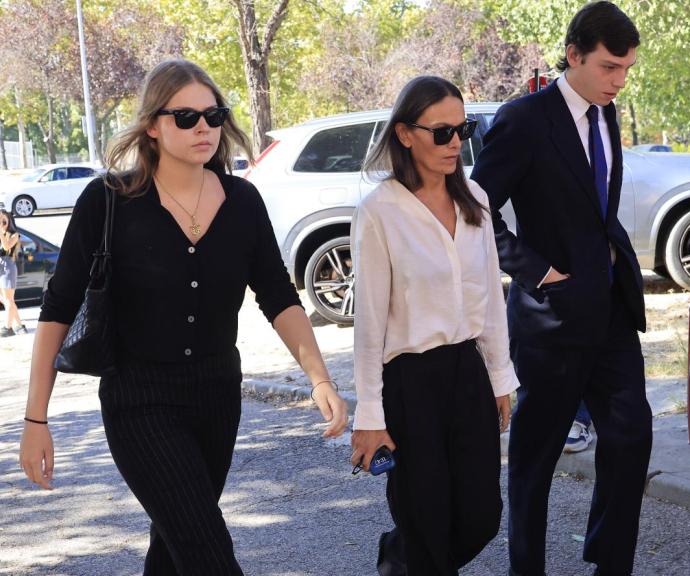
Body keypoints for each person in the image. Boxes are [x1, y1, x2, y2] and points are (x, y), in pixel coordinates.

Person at [18, 59, 348, 575]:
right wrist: (35, 419)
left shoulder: (242, 200)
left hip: (216, 395)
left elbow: (278, 295)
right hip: (138, 400)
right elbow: (58, 310)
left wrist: (319, 378)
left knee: (175, 548)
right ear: (152, 124)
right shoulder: (109, 201)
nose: (204, 129)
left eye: (213, 116)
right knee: (208, 553)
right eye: (186, 118)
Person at [470, 2, 652, 574]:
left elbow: (596, 208)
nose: (619, 81)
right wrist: (538, 272)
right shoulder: (524, 119)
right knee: (534, 457)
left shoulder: (608, 113)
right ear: (573, 56)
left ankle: (609, 560)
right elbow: (476, 211)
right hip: (550, 318)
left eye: (626, 69)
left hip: (612, 308)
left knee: (631, 439)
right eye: (608, 67)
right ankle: (527, 567)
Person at [351, 75, 518, 576]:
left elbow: (490, 298)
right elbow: (369, 324)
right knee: (426, 517)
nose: (454, 144)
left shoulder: (477, 200)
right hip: (410, 382)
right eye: (440, 132)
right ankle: (412, 558)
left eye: (462, 130)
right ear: (405, 134)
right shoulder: (379, 211)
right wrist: (370, 416)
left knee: (481, 516)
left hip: (467, 372)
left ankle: (399, 560)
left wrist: (500, 379)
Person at [0, 209, 27, 337]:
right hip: (0, 267)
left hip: (8, 267)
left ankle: (8, 328)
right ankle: (20, 326)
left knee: (9, 299)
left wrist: (1, 232)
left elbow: (6, 247)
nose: (1, 222)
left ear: (8, 220)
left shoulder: (14, 234)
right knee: (6, 299)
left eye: (3, 220)